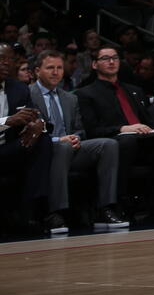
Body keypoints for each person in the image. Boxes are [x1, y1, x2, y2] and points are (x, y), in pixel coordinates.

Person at [75, 46, 154, 224]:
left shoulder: (133, 90)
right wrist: (123, 128)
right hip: (116, 143)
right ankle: (118, 203)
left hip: (144, 142)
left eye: (115, 58)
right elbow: (91, 130)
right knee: (127, 141)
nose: (111, 62)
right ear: (94, 64)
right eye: (105, 58)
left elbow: (148, 121)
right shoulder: (85, 93)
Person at [29, 50, 128, 231]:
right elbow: (28, 132)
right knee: (63, 147)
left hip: (71, 148)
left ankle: (104, 209)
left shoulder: (70, 98)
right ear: (37, 71)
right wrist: (59, 140)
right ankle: (55, 213)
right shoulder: (28, 95)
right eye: (50, 68)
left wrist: (76, 137)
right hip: (42, 151)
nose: (55, 72)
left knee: (109, 145)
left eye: (59, 68)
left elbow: (80, 129)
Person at [0, 43, 53, 234]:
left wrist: (37, 124)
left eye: (10, 59)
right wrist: (8, 120)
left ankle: (32, 210)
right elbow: (13, 120)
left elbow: (34, 114)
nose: (6, 63)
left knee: (43, 140)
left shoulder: (19, 88)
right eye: (1, 59)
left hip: (9, 148)